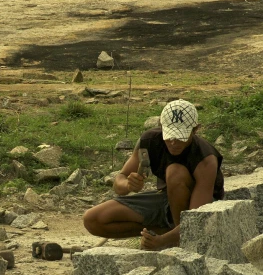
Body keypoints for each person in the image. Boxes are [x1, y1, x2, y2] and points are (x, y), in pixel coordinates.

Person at [82, 99, 224, 250]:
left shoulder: (205, 159)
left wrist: (163, 241)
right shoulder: (150, 141)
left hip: (196, 207)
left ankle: (177, 240)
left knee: (175, 172)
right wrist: (128, 184)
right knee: (93, 219)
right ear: (161, 126)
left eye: (180, 137)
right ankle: (165, 233)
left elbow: (197, 218)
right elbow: (119, 182)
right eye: (169, 136)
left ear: (195, 130)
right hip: (166, 199)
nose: (173, 142)